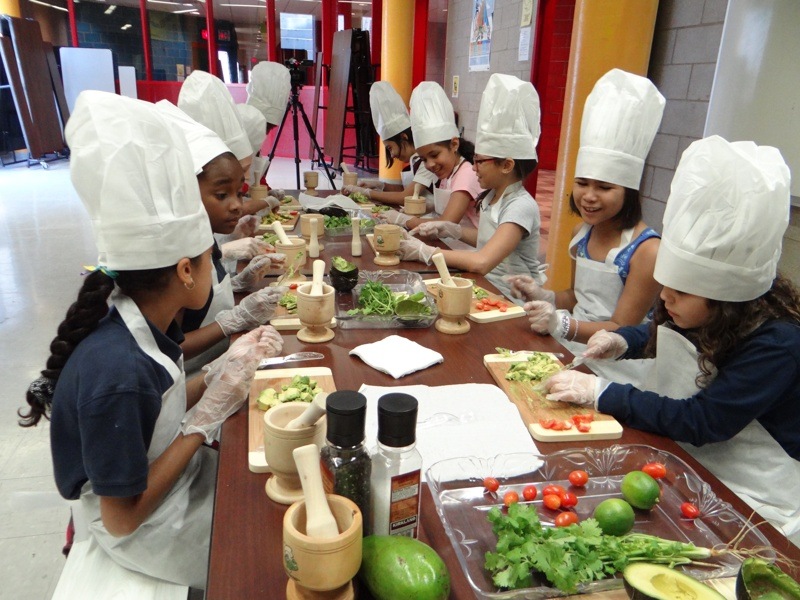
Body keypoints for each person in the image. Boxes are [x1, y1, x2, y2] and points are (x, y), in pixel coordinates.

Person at [18, 91, 284, 588]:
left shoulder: (141, 324)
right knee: (264, 539)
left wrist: (218, 376)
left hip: (168, 475)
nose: (222, 260)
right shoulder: (115, 372)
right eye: (212, 257)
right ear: (185, 270)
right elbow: (123, 518)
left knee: (268, 485)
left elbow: (155, 405)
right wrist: (201, 424)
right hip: (146, 524)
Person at [545, 136, 800, 546]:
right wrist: (622, 341)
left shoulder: (777, 344)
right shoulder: (705, 313)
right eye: (668, 284)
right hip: (689, 463)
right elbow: (662, 335)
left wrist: (604, 392)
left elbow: (704, 421)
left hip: (756, 494)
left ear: (725, 299)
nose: (665, 298)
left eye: (681, 291)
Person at [509, 69, 665, 385]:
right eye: (582, 183)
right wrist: (545, 296)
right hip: (574, 347)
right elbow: (577, 296)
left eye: (605, 188)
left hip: (619, 367)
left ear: (628, 191)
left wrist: (564, 325)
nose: (589, 197)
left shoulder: (647, 250)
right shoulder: (581, 235)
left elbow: (623, 326)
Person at [156, 101, 286, 373]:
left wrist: (239, 282)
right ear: (186, 193)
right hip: (189, 380)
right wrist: (233, 320)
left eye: (240, 193)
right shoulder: (175, 258)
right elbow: (167, 346)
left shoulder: (204, 238)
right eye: (221, 195)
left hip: (220, 359)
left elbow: (203, 299)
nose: (239, 205)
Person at [399, 74, 545, 300]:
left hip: (513, 300)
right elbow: (487, 240)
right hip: (488, 288)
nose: (474, 167)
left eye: (479, 161)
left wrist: (426, 252)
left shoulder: (520, 206)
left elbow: (482, 261)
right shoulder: (491, 197)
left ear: (506, 165)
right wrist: (451, 229)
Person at [377, 81, 483, 238]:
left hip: (467, 251)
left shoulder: (466, 173)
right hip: (449, 244)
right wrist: (427, 207)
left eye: (434, 155)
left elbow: (446, 223)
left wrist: (403, 219)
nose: (430, 164)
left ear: (454, 144)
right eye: (423, 159)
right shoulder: (449, 173)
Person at [342, 81, 437, 207]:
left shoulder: (428, 161)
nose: (392, 155)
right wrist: (378, 185)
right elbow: (405, 190)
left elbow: (405, 197)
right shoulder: (416, 160)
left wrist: (366, 193)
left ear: (404, 137)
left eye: (390, 148)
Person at [246, 61, 291, 190]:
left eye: (270, 127)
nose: (266, 132)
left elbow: (256, 176)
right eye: (267, 126)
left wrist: (266, 190)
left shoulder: (253, 132)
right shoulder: (241, 132)